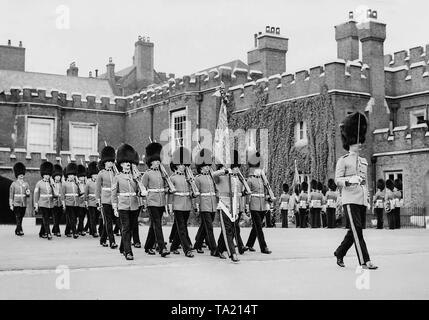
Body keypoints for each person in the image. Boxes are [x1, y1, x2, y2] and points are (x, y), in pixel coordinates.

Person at [334, 111, 378, 270]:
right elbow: (337, 180)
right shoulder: (343, 160)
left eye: (361, 141)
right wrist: (350, 180)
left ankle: (339, 252)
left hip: (360, 200)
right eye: (357, 141)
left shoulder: (364, 161)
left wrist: (368, 200)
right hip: (349, 199)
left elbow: (365, 184)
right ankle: (365, 261)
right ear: (350, 141)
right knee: (357, 231)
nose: (360, 143)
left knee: (354, 231)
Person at [112, 144, 141, 261]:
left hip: (134, 205)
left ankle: (122, 247)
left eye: (129, 162)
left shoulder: (135, 176)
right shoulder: (117, 177)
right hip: (123, 205)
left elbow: (139, 191)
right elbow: (114, 193)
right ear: (121, 164)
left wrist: (140, 189)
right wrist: (115, 207)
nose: (127, 164)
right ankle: (128, 252)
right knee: (126, 228)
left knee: (131, 227)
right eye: (125, 162)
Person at [142, 142, 170, 258]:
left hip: (161, 201)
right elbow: (142, 189)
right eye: (155, 160)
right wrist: (144, 203)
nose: (158, 162)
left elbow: (166, 186)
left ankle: (148, 246)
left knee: (155, 224)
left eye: (159, 160)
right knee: (157, 224)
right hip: (152, 201)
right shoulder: (147, 174)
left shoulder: (162, 173)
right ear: (151, 161)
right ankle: (161, 247)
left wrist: (168, 188)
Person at [168, 146, 197, 258]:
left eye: (184, 165)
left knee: (183, 226)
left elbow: (191, 191)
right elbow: (170, 194)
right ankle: (187, 249)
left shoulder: (188, 177)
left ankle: (174, 246)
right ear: (176, 165)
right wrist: (170, 206)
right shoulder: (173, 178)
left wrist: (194, 194)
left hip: (187, 204)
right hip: (177, 205)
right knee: (182, 228)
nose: (182, 167)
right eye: (180, 165)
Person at [245, 150, 272, 254]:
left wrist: (268, 199)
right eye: (258, 168)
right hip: (254, 205)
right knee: (259, 227)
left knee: (257, 225)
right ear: (253, 169)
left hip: (262, 205)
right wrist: (247, 207)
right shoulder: (250, 180)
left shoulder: (262, 180)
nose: (260, 170)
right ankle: (263, 247)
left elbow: (265, 192)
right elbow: (247, 195)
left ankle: (249, 244)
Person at [193, 148, 219, 256]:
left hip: (212, 204)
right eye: (205, 166)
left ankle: (198, 243)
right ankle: (214, 248)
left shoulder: (212, 177)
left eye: (208, 166)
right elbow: (196, 193)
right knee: (209, 226)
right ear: (200, 167)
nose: (207, 168)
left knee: (205, 225)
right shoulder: (197, 179)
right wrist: (197, 205)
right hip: (204, 204)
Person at [96, 145, 118, 249]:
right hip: (105, 199)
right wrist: (98, 201)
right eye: (109, 161)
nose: (111, 163)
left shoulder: (116, 173)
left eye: (112, 161)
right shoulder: (101, 173)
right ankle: (112, 241)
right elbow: (97, 189)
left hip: (114, 199)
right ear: (104, 162)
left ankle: (103, 239)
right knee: (108, 221)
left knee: (111, 221)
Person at [34, 161, 55, 240]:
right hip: (42, 203)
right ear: (43, 174)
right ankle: (48, 233)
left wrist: (53, 184)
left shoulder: (51, 183)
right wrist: (36, 205)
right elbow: (36, 195)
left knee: (46, 218)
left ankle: (41, 232)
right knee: (45, 218)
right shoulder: (39, 183)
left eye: (48, 174)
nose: (47, 176)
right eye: (46, 174)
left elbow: (55, 193)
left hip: (50, 203)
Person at [9, 162, 30, 236]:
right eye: (20, 174)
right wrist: (11, 204)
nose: (21, 175)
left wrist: (28, 193)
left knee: (21, 217)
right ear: (17, 175)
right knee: (18, 216)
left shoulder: (26, 184)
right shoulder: (14, 184)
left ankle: (17, 229)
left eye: (22, 174)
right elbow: (11, 195)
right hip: (16, 202)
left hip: (23, 203)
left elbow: (28, 195)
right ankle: (20, 230)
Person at [62, 163, 80, 239]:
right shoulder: (65, 184)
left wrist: (79, 184)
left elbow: (79, 193)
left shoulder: (76, 184)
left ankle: (67, 231)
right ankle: (75, 233)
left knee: (74, 218)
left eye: (73, 175)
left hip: (76, 203)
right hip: (68, 203)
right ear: (68, 175)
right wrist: (63, 204)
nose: (72, 176)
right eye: (70, 175)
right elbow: (62, 195)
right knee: (72, 218)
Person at [85, 161, 100, 237]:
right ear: (91, 175)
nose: (95, 176)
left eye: (96, 174)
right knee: (92, 217)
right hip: (91, 202)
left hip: (98, 202)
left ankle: (92, 230)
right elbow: (86, 194)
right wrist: (86, 202)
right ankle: (94, 231)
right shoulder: (88, 183)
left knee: (97, 217)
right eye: (94, 174)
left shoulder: (100, 183)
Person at [50, 164, 63, 237]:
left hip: (60, 203)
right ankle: (57, 231)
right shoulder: (52, 184)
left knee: (59, 217)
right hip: (54, 202)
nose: (58, 177)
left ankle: (54, 228)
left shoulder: (62, 184)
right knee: (55, 217)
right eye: (57, 176)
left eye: (59, 176)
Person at [76, 164, 87, 236]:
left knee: (83, 217)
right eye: (80, 176)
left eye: (83, 176)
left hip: (85, 203)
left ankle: (79, 229)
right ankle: (81, 229)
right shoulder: (77, 184)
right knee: (80, 217)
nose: (82, 178)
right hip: (79, 202)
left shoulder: (86, 183)